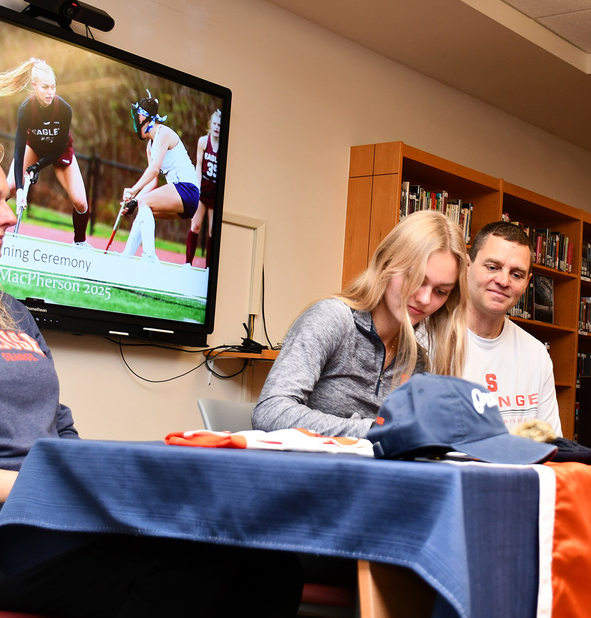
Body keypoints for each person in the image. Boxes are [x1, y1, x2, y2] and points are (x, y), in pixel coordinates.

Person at [0, 124, 303, 618]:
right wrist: (39, 487)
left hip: (38, 516)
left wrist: (112, 484)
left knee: (270, 565)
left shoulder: (11, 311)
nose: (11, 216)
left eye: (8, 199)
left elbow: (58, 426)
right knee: (186, 568)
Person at [253, 209, 468, 438]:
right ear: (386, 263)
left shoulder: (416, 360)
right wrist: (372, 430)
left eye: (440, 291)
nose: (425, 299)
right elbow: (270, 411)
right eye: (415, 279)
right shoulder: (333, 319)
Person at [0, 58, 91, 249]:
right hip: (33, 147)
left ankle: (80, 244)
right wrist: (22, 189)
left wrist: (36, 168)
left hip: (60, 150)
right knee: (8, 187)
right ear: (34, 86)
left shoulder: (64, 109)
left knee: (81, 202)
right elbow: (19, 148)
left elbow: (57, 148)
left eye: (53, 87)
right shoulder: (25, 109)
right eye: (45, 87)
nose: (50, 92)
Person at [462, 221, 563, 436]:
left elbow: (551, 445)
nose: (503, 281)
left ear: (527, 283)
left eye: (516, 274)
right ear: (467, 266)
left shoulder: (537, 355)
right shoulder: (428, 342)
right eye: (492, 267)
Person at [120, 90, 200, 262]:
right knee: (143, 209)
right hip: (181, 194)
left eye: (136, 117)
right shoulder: (150, 145)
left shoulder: (163, 134)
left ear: (142, 118)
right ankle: (125, 258)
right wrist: (133, 202)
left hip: (188, 190)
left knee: (144, 202)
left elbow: (154, 169)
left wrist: (133, 191)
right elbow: (152, 182)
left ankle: (150, 258)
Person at [186, 108, 221, 267]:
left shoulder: (224, 146)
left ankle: (208, 268)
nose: (216, 127)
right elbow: (199, 166)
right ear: (210, 124)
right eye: (214, 123)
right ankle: (188, 264)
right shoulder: (203, 141)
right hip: (203, 189)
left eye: (219, 125)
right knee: (195, 225)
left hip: (215, 193)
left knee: (213, 231)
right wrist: (197, 187)